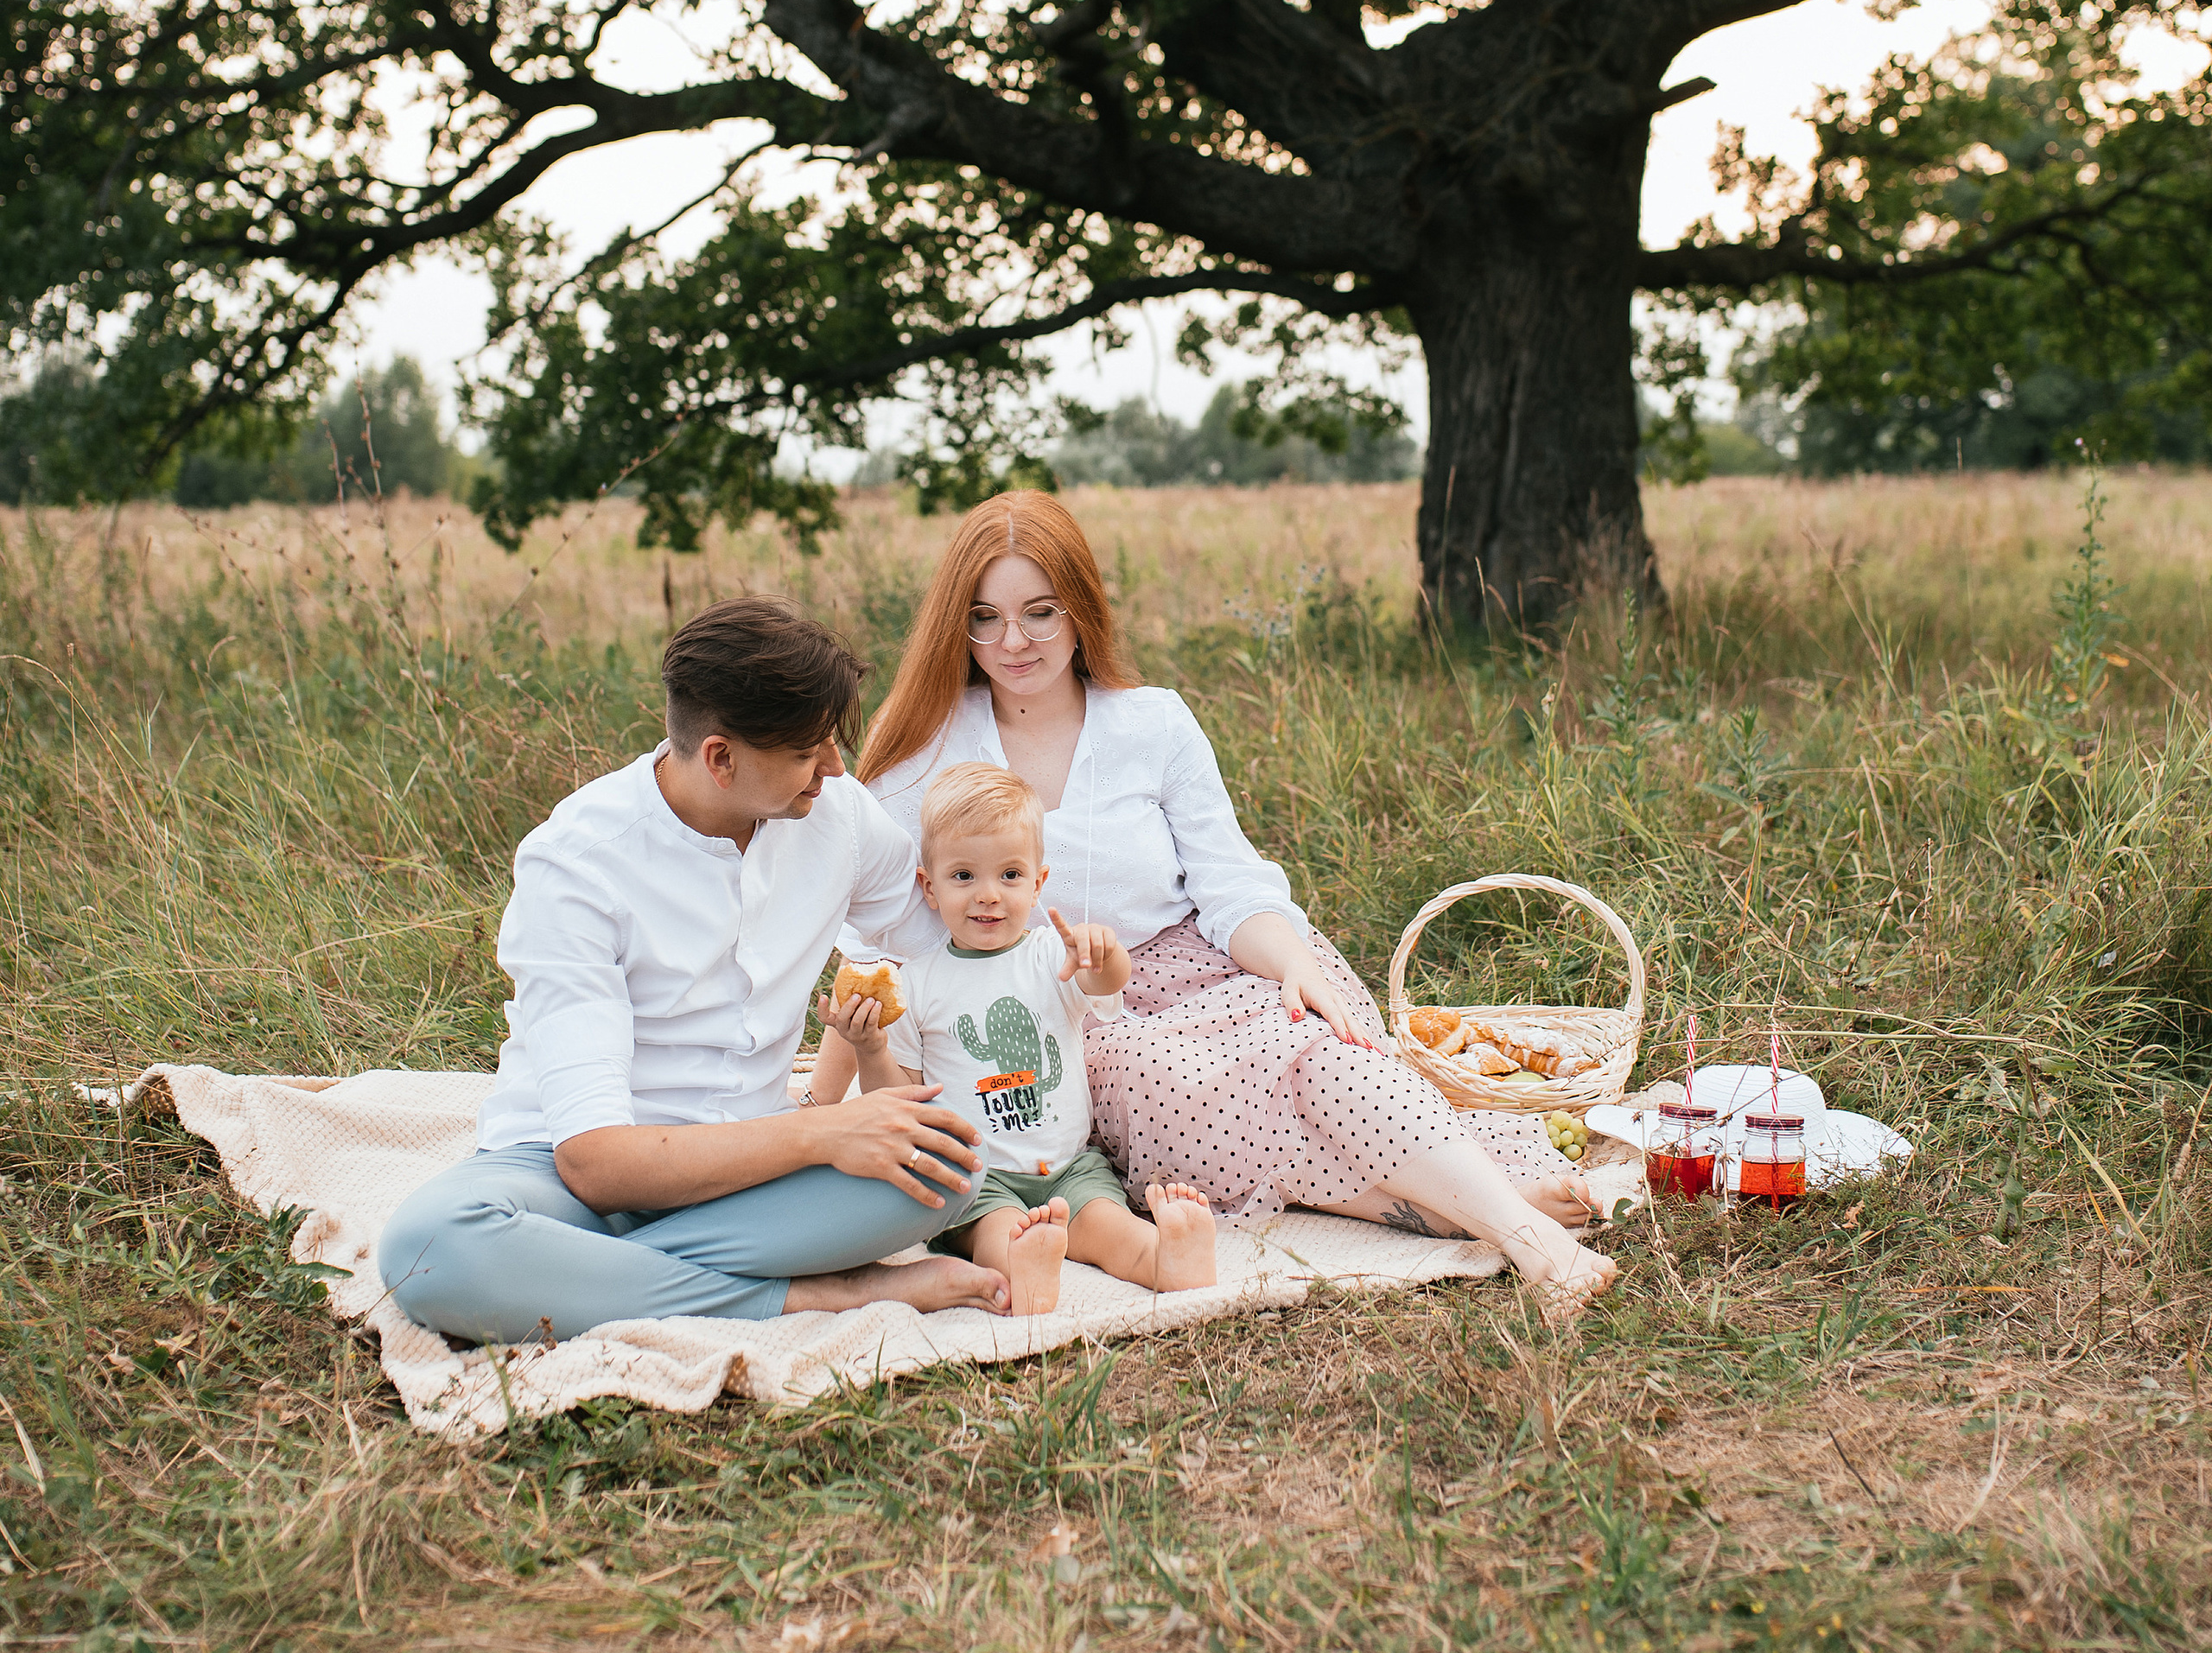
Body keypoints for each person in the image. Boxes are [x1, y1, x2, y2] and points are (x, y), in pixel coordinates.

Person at [853, 491, 1615, 1323]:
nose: (1014, 641)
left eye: (1040, 611)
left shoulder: (1153, 723)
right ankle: (1474, 1197)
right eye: (985, 618)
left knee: (1321, 1052)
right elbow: (883, 907)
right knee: (1179, 1082)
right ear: (956, 627)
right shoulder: (928, 744)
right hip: (1073, 1013)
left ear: (1082, 609)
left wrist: (1292, 961)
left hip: (1207, 964)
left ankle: (1531, 1242)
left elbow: (1231, 883)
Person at [377, 598, 1013, 1346]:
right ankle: (814, 1296)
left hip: (749, 1175)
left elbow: (942, 934)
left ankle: (585, 1280)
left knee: (948, 1164)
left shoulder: (837, 817)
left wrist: (1066, 965)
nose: (836, 769)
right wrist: (824, 1134)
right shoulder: (576, 863)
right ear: (721, 758)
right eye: (810, 752)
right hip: (566, 1179)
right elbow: (595, 1163)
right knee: (430, 1250)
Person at [810, 760, 1218, 1316]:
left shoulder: (1053, 954)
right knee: (998, 1236)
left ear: (1038, 882)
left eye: (1009, 875)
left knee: (1111, 1229)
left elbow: (1107, 983)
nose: (988, 896)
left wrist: (1103, 953)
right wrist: (870, 1048)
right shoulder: (918, 982)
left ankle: (1169, 1258)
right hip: (979, 1177)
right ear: (929, 888)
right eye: (963, 877)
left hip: (1070, 1164)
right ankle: (1025, 1271)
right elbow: (897, 1097)